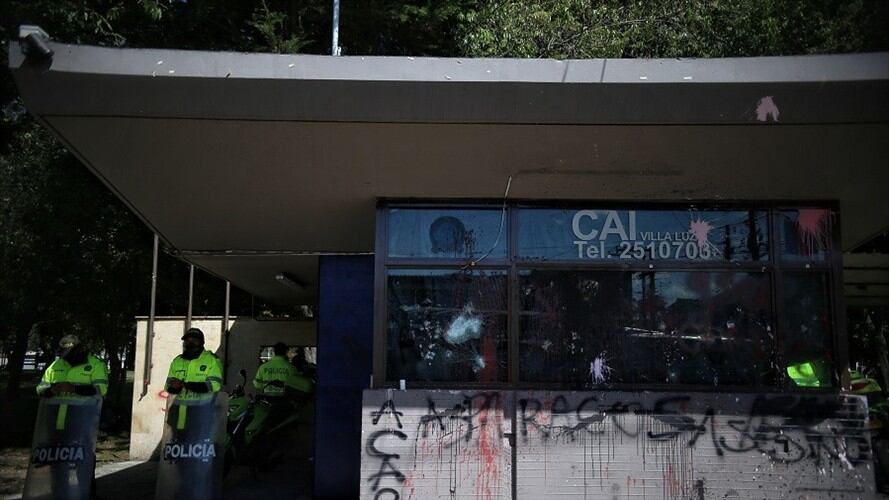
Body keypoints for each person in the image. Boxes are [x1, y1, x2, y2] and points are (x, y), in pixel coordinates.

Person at [33, 334, 107, 499]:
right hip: (57, 422)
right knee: (57, 464)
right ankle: (59, 494)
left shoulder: (94, 364)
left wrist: (74, 388)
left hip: (83, 422)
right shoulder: (55, 365)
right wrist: (51, 390)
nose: (67, 358)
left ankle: (86, 494)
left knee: (83, 461)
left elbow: (101, 390)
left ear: (80, 349)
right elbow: (40, 389)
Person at [160, 327, 223, 499]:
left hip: (202, 416)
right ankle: (185, 487)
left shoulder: (211, 360)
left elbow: (214, 385)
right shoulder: (177, 361)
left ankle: (201, 490)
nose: (189, 342)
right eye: (187, 339)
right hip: (179, 416)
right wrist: (175, 386)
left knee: (200, 455)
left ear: (202, 342)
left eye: (193, 339)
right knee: (181, 456)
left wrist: (186, 385)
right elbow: (168, 387)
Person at [246, 342, 313, 447]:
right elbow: (297, 385)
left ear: (274, 352)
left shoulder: (264, 367)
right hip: (284, 403)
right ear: (285, 352)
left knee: (263, 427)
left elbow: (257, 385)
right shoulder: (291, 368)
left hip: (266, 402)